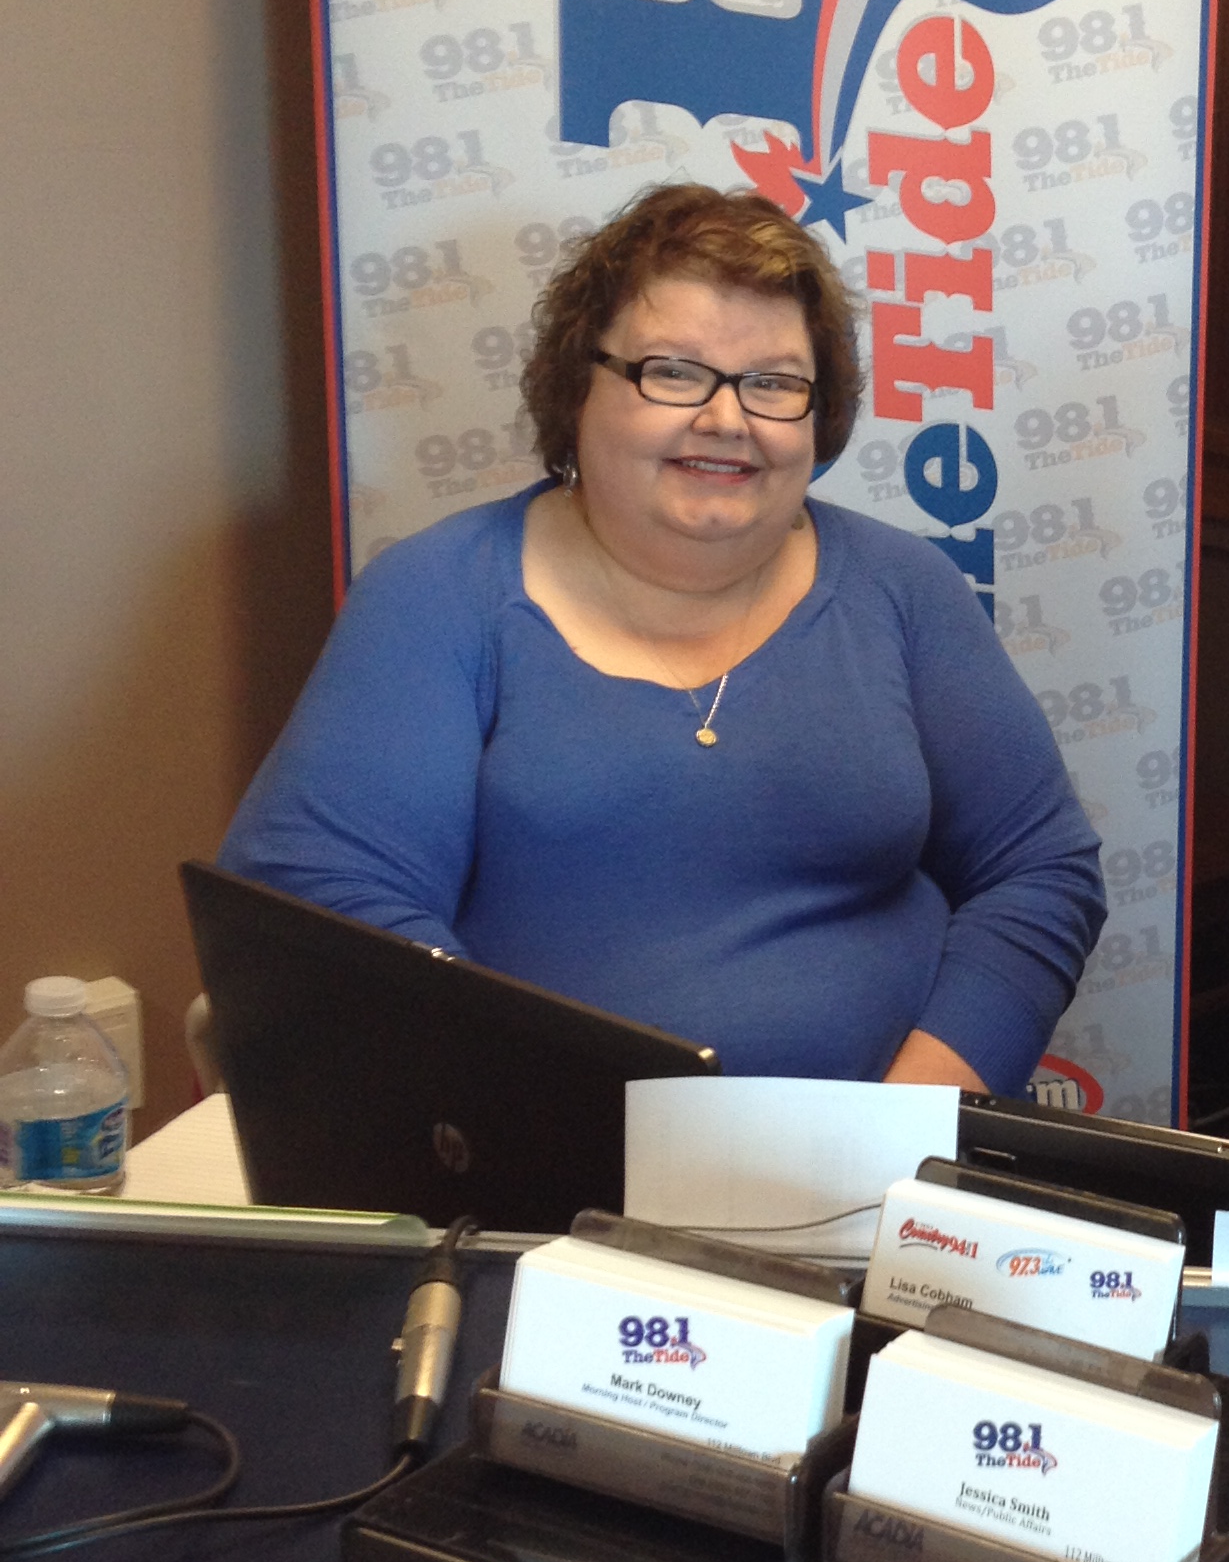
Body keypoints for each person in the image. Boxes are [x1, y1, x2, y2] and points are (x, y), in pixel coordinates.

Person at [221, 184, 1105, 1091]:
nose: (726, 420)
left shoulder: (905, 587)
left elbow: (1040, 870)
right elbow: (325, 904)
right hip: (551, 1156)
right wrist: (528, 1120)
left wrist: (912, 1119)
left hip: (888, 1154)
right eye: (674, 372)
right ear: (578, 389)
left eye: (773, 383)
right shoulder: (439, 597)